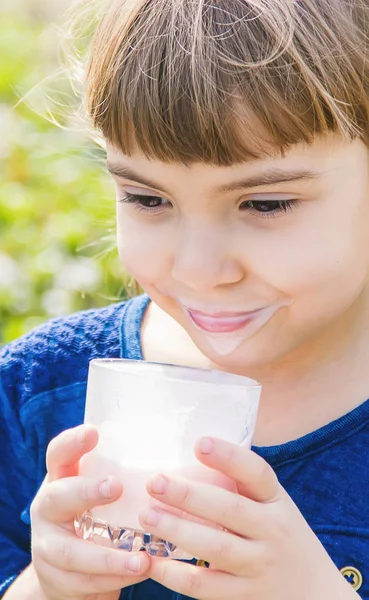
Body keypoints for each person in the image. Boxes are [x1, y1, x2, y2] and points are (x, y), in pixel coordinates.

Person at [1, 0, 369, 598]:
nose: (198, 271)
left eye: (265, 204)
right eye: (147, 199)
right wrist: (48, 585)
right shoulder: (39, 391)